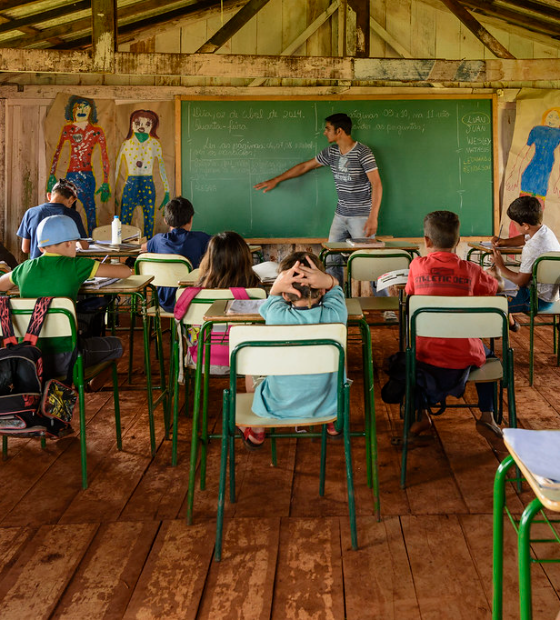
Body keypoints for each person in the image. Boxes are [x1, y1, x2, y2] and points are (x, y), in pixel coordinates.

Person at [0, 215, 131, 390]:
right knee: (119, 345)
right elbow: (125, 273)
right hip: (68, 357)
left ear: (40, 245)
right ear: (69, 243)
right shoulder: (77, 265)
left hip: (29, 359)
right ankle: (91, 387)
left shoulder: (24, 268)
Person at [405, 210, 503, 437]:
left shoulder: (416, 266)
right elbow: (494, 288)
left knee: (408, 357)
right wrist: (494, 276)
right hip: (465, 353)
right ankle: (487, 415)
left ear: (427, 241)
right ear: (458, 242)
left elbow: (411, 294)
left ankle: (422, 415)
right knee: (492, 357)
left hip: (426, 353)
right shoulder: (472, 270)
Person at [254, 113, 382, 285]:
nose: (324, 132)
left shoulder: (362, 152)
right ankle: (335, 298)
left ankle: (386, 309)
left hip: (361, 217)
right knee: (331, 260)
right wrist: (276, 180)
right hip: (340, 215)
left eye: (327, 129)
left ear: (339, 131)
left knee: (369, 266)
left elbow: (377, 184)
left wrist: (373, 216)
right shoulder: (332, 152)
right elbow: (306, 166)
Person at [239, 251, 347, 449]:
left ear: (284, 293)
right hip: (328, 404)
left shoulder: (275, 315)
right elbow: (336, 288)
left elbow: (269, 304)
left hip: (277, 404)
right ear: (322, 290)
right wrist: (329, 280)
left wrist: (277, 286)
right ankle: (333, 423)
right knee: (340, 355)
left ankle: (257, 429)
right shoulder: (336, 314)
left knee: (251, 364)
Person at [175, 231, 260, 374]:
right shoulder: (255, 293)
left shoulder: (192, 295)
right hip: (244, 360)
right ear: (245, 259)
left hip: (200, 359)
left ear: (209, 259)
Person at [492, 195, 560, 331]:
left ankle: (508, 327)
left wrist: (500, 266)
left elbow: (520, 281)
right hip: (550, 294)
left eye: (515, 224)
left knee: (493, 302)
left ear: (525, 225)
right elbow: (525, 237)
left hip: (535, 299)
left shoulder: (532, 248)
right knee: (498, 288)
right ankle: (512, 324)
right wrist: (504, 242)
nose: (514, 226)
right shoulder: (545, 231)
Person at [48, 96, 111, 236]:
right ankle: (71, 241)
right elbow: (57, 152)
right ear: (72, 110)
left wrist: (106, 182)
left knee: (90, 211)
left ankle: (90, 245)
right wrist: (51, 175)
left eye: (85, 107)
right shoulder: (68, 129)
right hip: (71, 177)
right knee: (69, 212)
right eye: (78, 107)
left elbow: (104, 157)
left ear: (91, 111)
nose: (81, 110)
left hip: (88, 175)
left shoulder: (97, 131)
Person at [140, 196, 210, 312]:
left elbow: (143, 247)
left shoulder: (158, 240)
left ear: (166, 221)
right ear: (191, 219)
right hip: (193, 301)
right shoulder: (201, 239)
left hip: (165, 301)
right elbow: (220, 246)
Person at [115, 109, 170, 239]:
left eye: (147, 124)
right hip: (131, 182)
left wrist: (167, 190)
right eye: (138, 123)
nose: (141, 127)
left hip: (147, 182)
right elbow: (117, 167)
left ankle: (149, 247)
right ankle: (123, 249)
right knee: (124, 219)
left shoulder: (155, 144)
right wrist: (115, 191)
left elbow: (162, 166)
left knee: (149, 219)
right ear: (131, 124)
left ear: (152, 127)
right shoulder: (126, 143)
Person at [18, 178, 89, 259]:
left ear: (49, 195)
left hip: (37, 267)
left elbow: (25, 249)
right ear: (72, 200)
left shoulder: (31, 212)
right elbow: (84, 246)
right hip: (63, 268)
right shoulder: (73, 215)